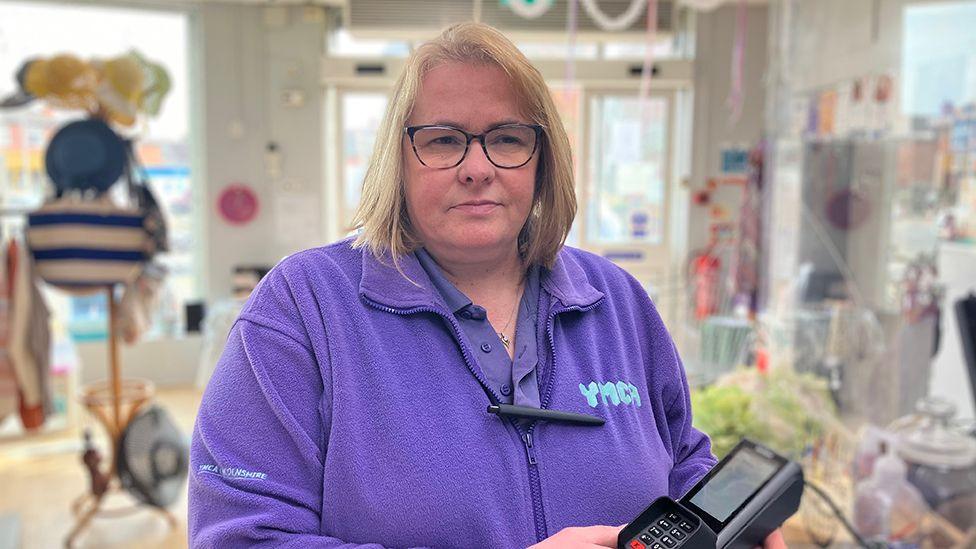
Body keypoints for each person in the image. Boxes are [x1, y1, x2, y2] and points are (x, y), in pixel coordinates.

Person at [188, 22, 786, 549]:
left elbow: (683, 462)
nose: (477, 167)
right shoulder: (304, 308)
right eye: (444, 139)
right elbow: (239, 537)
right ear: (398, 159)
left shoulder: (618, 302)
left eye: (506, 138)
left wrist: (723, 531)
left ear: (541, 158)